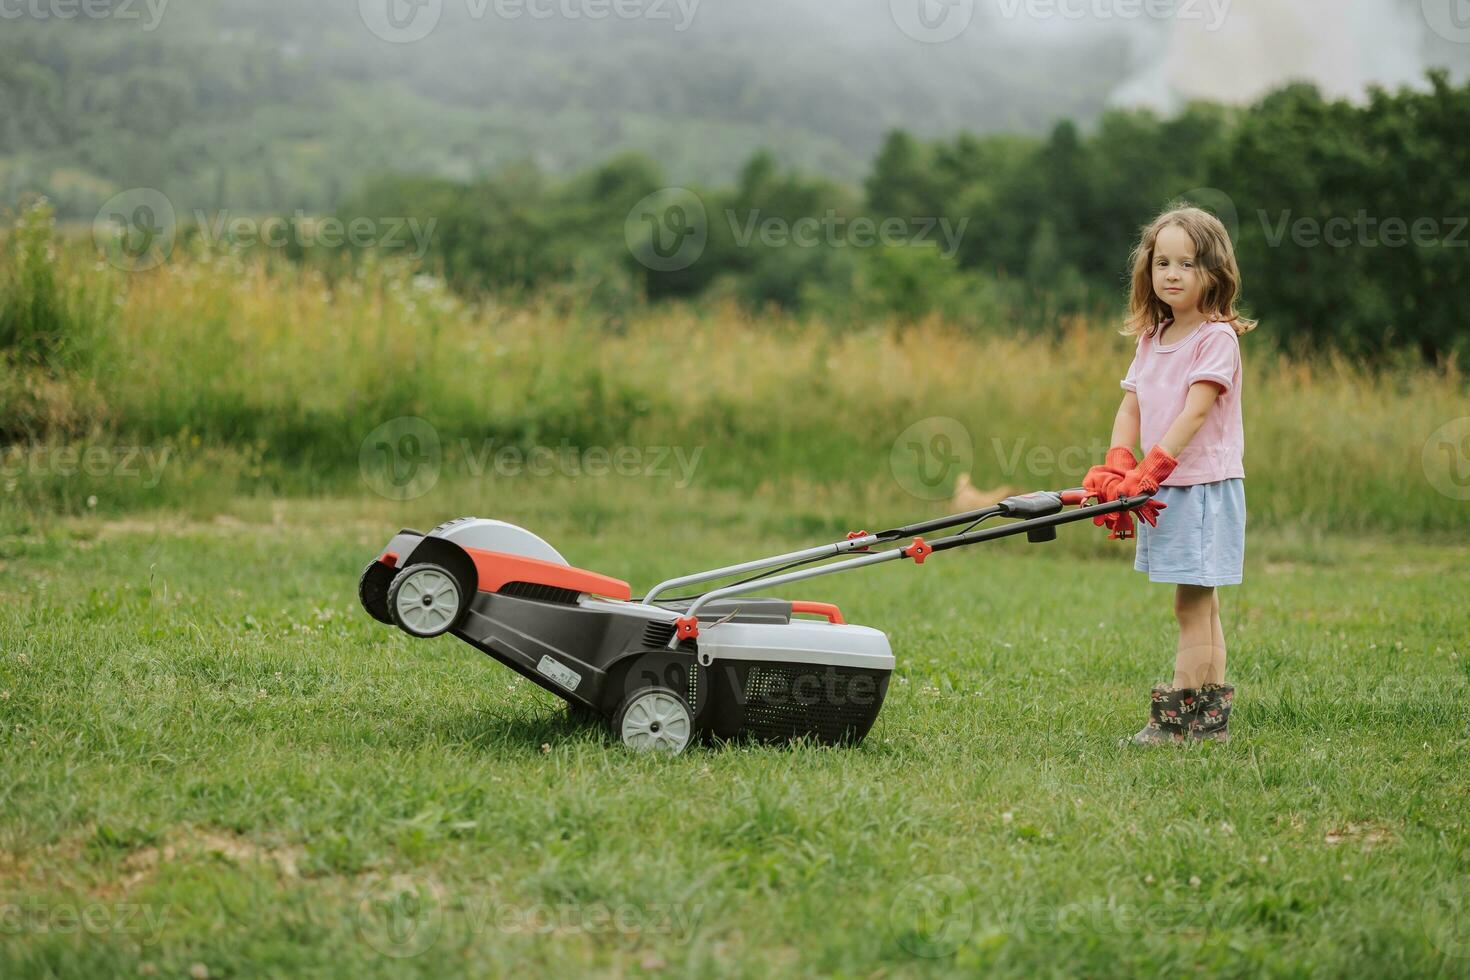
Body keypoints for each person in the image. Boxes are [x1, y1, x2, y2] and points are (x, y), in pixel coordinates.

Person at [1085, 205, 1256, 745]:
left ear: (1215, 270)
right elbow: (1131, 406)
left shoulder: (1215, 339)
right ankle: (1210, 721)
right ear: (1148, 270)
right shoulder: (1152, 337)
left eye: (1187, 262)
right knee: (1202, 602)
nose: (1173, 274)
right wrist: (1119, 461)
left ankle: (1176, 719)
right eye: (1163, 262)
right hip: (1167, 488)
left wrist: (1153, 466)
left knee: (1191, 603)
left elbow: (1197, 410)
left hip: (1199, 485)